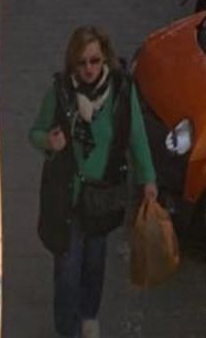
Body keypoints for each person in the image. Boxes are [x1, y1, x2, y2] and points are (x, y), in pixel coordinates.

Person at [30, 24, 157, 338]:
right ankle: (68, 331)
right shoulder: (60, 92)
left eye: (95, 61)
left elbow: (136, 137)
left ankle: (89, 318)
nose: (88, 69)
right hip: (68, 199)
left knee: (94, 266)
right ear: (72, 64)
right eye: (81, 62)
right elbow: (34, 132)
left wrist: (149, 179)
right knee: (67, 273)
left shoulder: (121, 92)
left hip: (103, 197)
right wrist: (49, 140)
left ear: (105, 60)